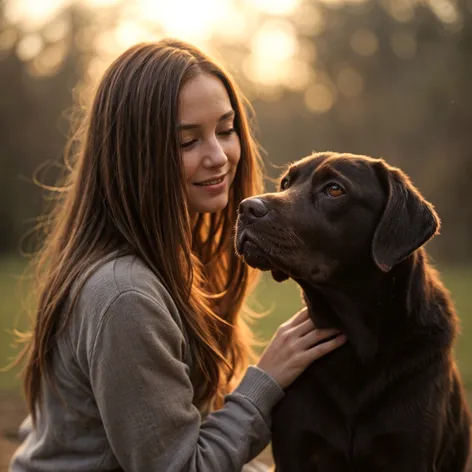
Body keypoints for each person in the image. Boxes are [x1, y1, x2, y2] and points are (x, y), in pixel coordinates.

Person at [10, 38, 347, 472]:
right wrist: (267, 382)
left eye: (225, 131)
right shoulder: (124, 295)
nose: (218, 156)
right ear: (134, 157)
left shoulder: (168, 261)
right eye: (188, 141)